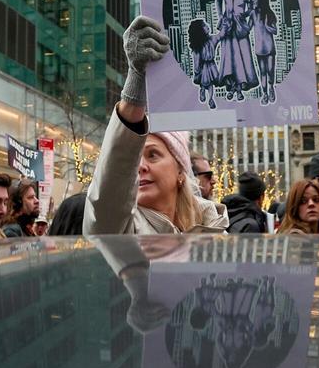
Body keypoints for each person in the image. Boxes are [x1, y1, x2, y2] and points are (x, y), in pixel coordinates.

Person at [84, 16, 229, 235]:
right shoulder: (121, 231)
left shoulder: (214, 228)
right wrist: (136, 81)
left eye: (152, 155)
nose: (139, 166)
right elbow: (107, 201)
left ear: (180, 170)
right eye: (136, 157)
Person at [215, 0, 257, 100]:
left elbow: (253, 6)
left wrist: (246, 15)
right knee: (229, 57)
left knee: (242, 56)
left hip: (240, 26)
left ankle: (240, 88)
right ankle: (232, 87)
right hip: (227, 24)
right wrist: (220, 15)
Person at [248, 0, 278, 105]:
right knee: (263, 72)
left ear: (261, 0)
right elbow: (247, 28)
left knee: (270, 70)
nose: (253, 1)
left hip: (269, 47)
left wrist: (267, 25)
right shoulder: (253, 14)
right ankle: (264, 94)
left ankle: (271, 88)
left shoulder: (269, 13)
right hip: (259, 49)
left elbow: (275, 30)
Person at [187, 18, 223, 109]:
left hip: (211, 65)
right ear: (200, 31)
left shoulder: (212, 39)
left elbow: (220, 36)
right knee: (205, 82)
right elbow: (196, 61)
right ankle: (202, 90)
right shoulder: (197, 46)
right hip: (204, 67)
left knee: (210, 84)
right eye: (205, 26)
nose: (208, 27)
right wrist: (197, 71)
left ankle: (211, 99)